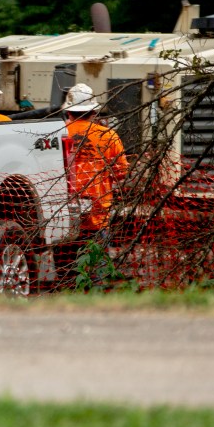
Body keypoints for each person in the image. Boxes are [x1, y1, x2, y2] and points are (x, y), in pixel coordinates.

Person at [56, 83, 130, 286]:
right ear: (94, 111)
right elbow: (121, 173)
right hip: (98, 213)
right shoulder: (109, 136)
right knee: (98, 273)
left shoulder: (57, 134)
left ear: (68, 110)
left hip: (63, 215)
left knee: (66, 276)